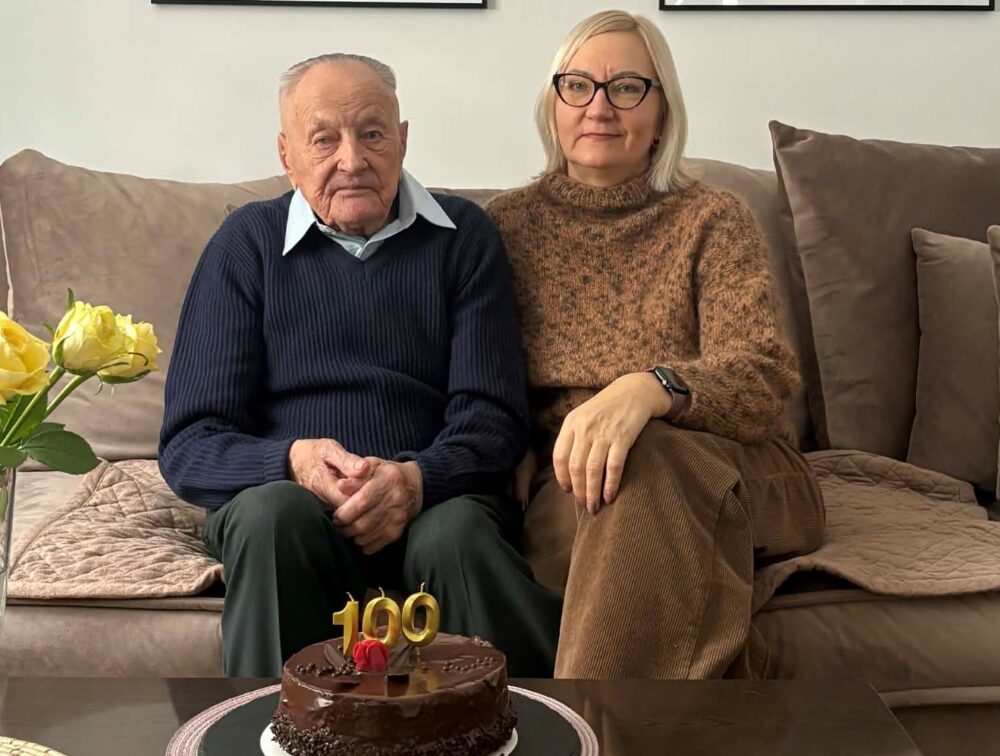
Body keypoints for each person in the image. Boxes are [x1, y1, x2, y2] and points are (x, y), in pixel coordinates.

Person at [159, 53, 561, 678]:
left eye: (372, 133)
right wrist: (292, 461)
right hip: (289, 503)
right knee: (272, 517)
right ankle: (269, 724)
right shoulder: (245, 245)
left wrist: (415, 480)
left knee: (458, 535)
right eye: (324, 139)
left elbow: (494, 419)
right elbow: (190, 445)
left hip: (437, 496)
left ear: (402, 140)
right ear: (287, 154)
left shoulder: (464, 237)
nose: (351, 160)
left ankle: (539, 720)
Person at [485, 11, 825, 679]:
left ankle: (590, 723)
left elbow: (763, 378)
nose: (599, 107)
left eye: (627, 87)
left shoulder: (712, 219)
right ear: (553, 104)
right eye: (578, 85)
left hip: (746, 467)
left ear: (663, 111)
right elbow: (480, 378)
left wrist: (650, 389)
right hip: (580, 480)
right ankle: (692, 717)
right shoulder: (503, 228)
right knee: (614, 494)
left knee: (646, 457)